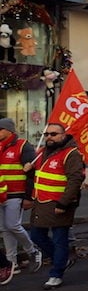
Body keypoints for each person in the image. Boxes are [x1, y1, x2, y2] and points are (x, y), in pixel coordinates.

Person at [27, 123, 85, 289]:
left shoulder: (71, 154)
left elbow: (75, 180)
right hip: (41, 202)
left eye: (53, 134)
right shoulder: (42, 152)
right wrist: (30, 171)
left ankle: (56, 274)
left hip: (60, 203)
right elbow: (40, 176)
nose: (49, 137)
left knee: (60, 239)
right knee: (36, 236)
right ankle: (62, 259)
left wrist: (64, 203)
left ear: (63, 135)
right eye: (46, 134)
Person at [0, 117, 42, 274]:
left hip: (16, 193)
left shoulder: (22, 145)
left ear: (9, 130)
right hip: (1, 194)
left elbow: (31, 172)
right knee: (4, 229)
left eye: (0, 130)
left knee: (12, 225)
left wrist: (28, 196)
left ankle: (32, 250)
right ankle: (11, 262)